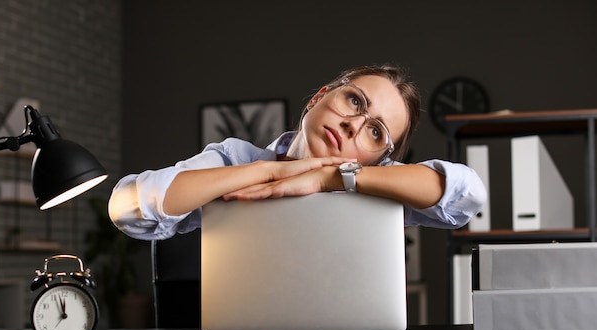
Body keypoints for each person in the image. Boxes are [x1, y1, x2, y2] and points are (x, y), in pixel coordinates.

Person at [109, 64, 486, 240]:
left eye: (375, 131)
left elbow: (468, 196)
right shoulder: (234, 159)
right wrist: (268, 173)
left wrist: (330, 177)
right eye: (354, 101)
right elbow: (126, 208)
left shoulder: (378, 185)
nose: (353, 125)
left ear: (379, 159)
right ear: (321, 96)